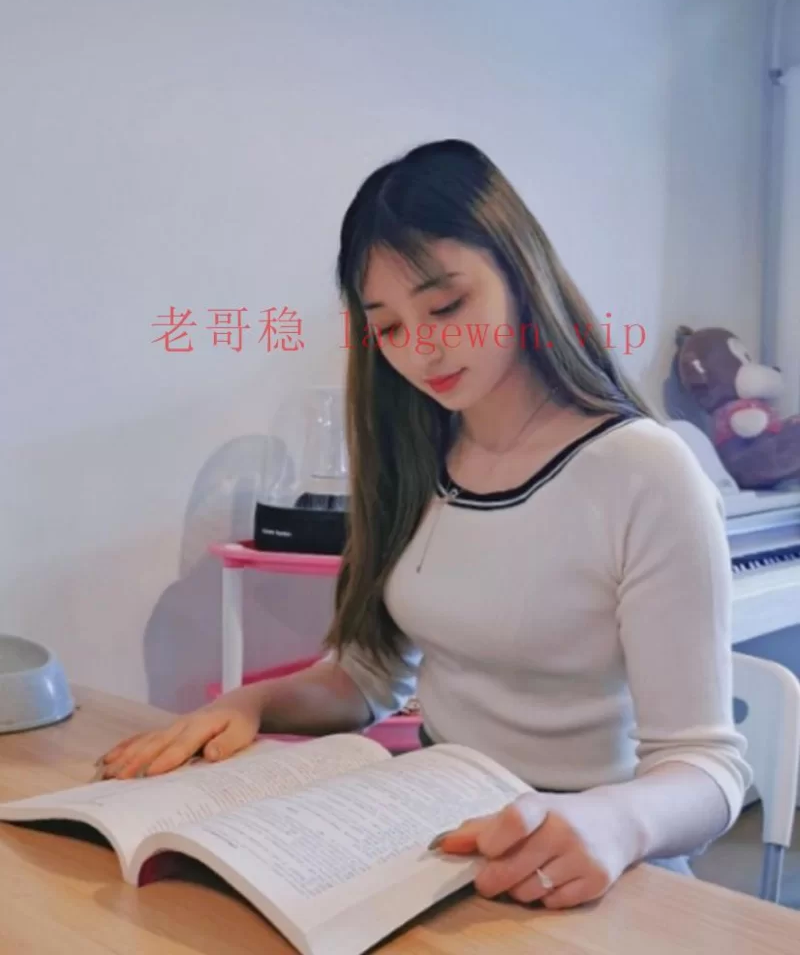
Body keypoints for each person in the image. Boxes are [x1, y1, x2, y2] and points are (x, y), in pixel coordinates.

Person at [100, 138, 752, 910]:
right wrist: (250, 704)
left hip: (590, 872)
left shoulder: (644, 471)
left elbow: (706, 768)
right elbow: (369, 677)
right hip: (436, 849)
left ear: (522, 273)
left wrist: (613, 822)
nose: (423, 350)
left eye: (446, 307)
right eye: (388, 327)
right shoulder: (415, 456)